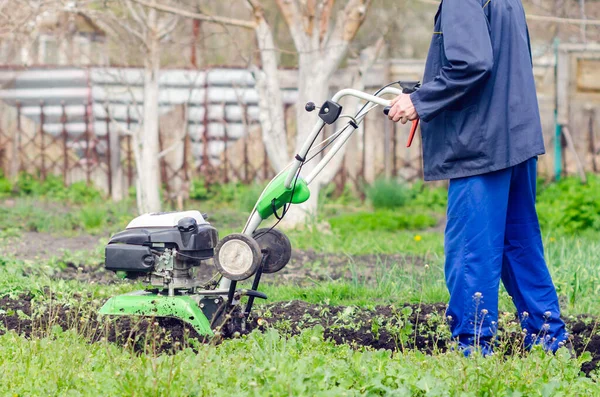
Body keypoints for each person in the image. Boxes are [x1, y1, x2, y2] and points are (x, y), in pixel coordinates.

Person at [387, 0, 569, 355]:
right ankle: (550, 343)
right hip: (513, 136)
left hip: (481, 146)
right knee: (519, 248)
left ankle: (473, 351)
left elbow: (471, 63)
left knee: (471, 251)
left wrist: (420, 101)